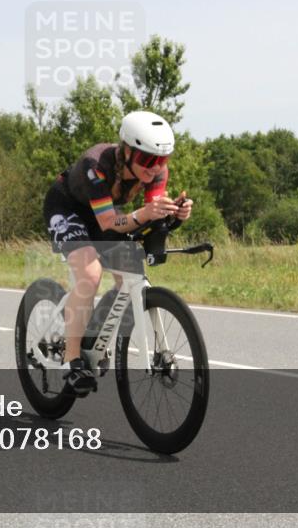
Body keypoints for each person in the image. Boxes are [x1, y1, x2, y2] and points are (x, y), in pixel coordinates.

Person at [42, 111, 193, 395]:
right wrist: (144, 213)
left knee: (131, 274)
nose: (155, 167)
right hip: (69, 208)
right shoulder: (96, 166)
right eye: (147, 159)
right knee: (90, 272)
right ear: (126, 151)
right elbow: (110, 224)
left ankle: (96, 337)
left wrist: (176, 214)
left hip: (105, 211)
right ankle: (71, 358)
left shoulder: (156, 172)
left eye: (161, 160)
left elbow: (152, 215)